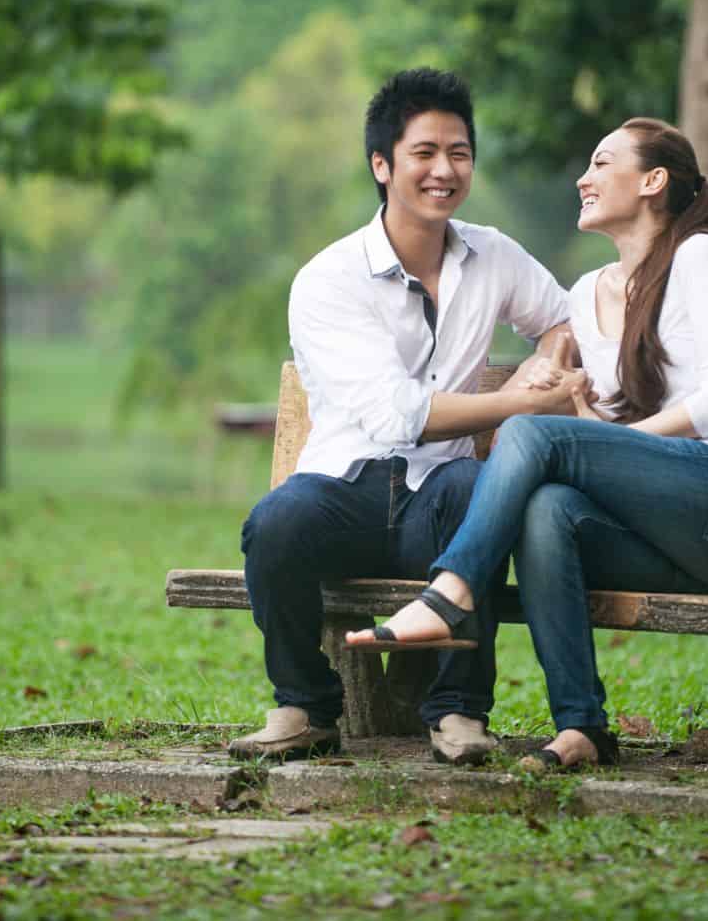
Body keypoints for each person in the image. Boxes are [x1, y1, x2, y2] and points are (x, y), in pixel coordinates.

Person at [346, 117, 708, 772]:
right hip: (652, 533)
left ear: (653, 181)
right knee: (548, 510)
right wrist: (566, 397)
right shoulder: (585, 295)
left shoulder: (698, 256)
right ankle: (582, 726)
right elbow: (599, 439)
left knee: (529, 433)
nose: (585, 177)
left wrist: (592, 441)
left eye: (603, 163)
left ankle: (449, 593)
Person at [229, 68, 590, 766]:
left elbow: (569, 318)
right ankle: (303, 707)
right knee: (275, 523)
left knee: (476, 495)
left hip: (438, 498)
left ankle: (458, 713)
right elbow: (400, 417)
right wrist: (523, 399)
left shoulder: (493, 255)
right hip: (346, 493)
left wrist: (545, 359)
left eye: (459, 153)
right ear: (382, 164)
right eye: (424, 152)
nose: (444, 170)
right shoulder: (329, 280)